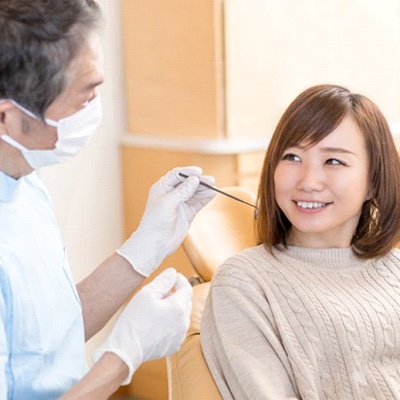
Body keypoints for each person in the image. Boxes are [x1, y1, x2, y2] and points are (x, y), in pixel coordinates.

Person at [0, 1, 216, 399]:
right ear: (8, 119)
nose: (93, 111)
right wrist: (123, 357)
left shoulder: (22, 180)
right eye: (83, 99)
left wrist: (144, 248)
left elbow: (41, 340)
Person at [201, 84, 400, 399]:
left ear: (374, 180)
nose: (308, 181)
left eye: (333, 161)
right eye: (292, 156)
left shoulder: (395, 269)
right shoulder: (244, 282)